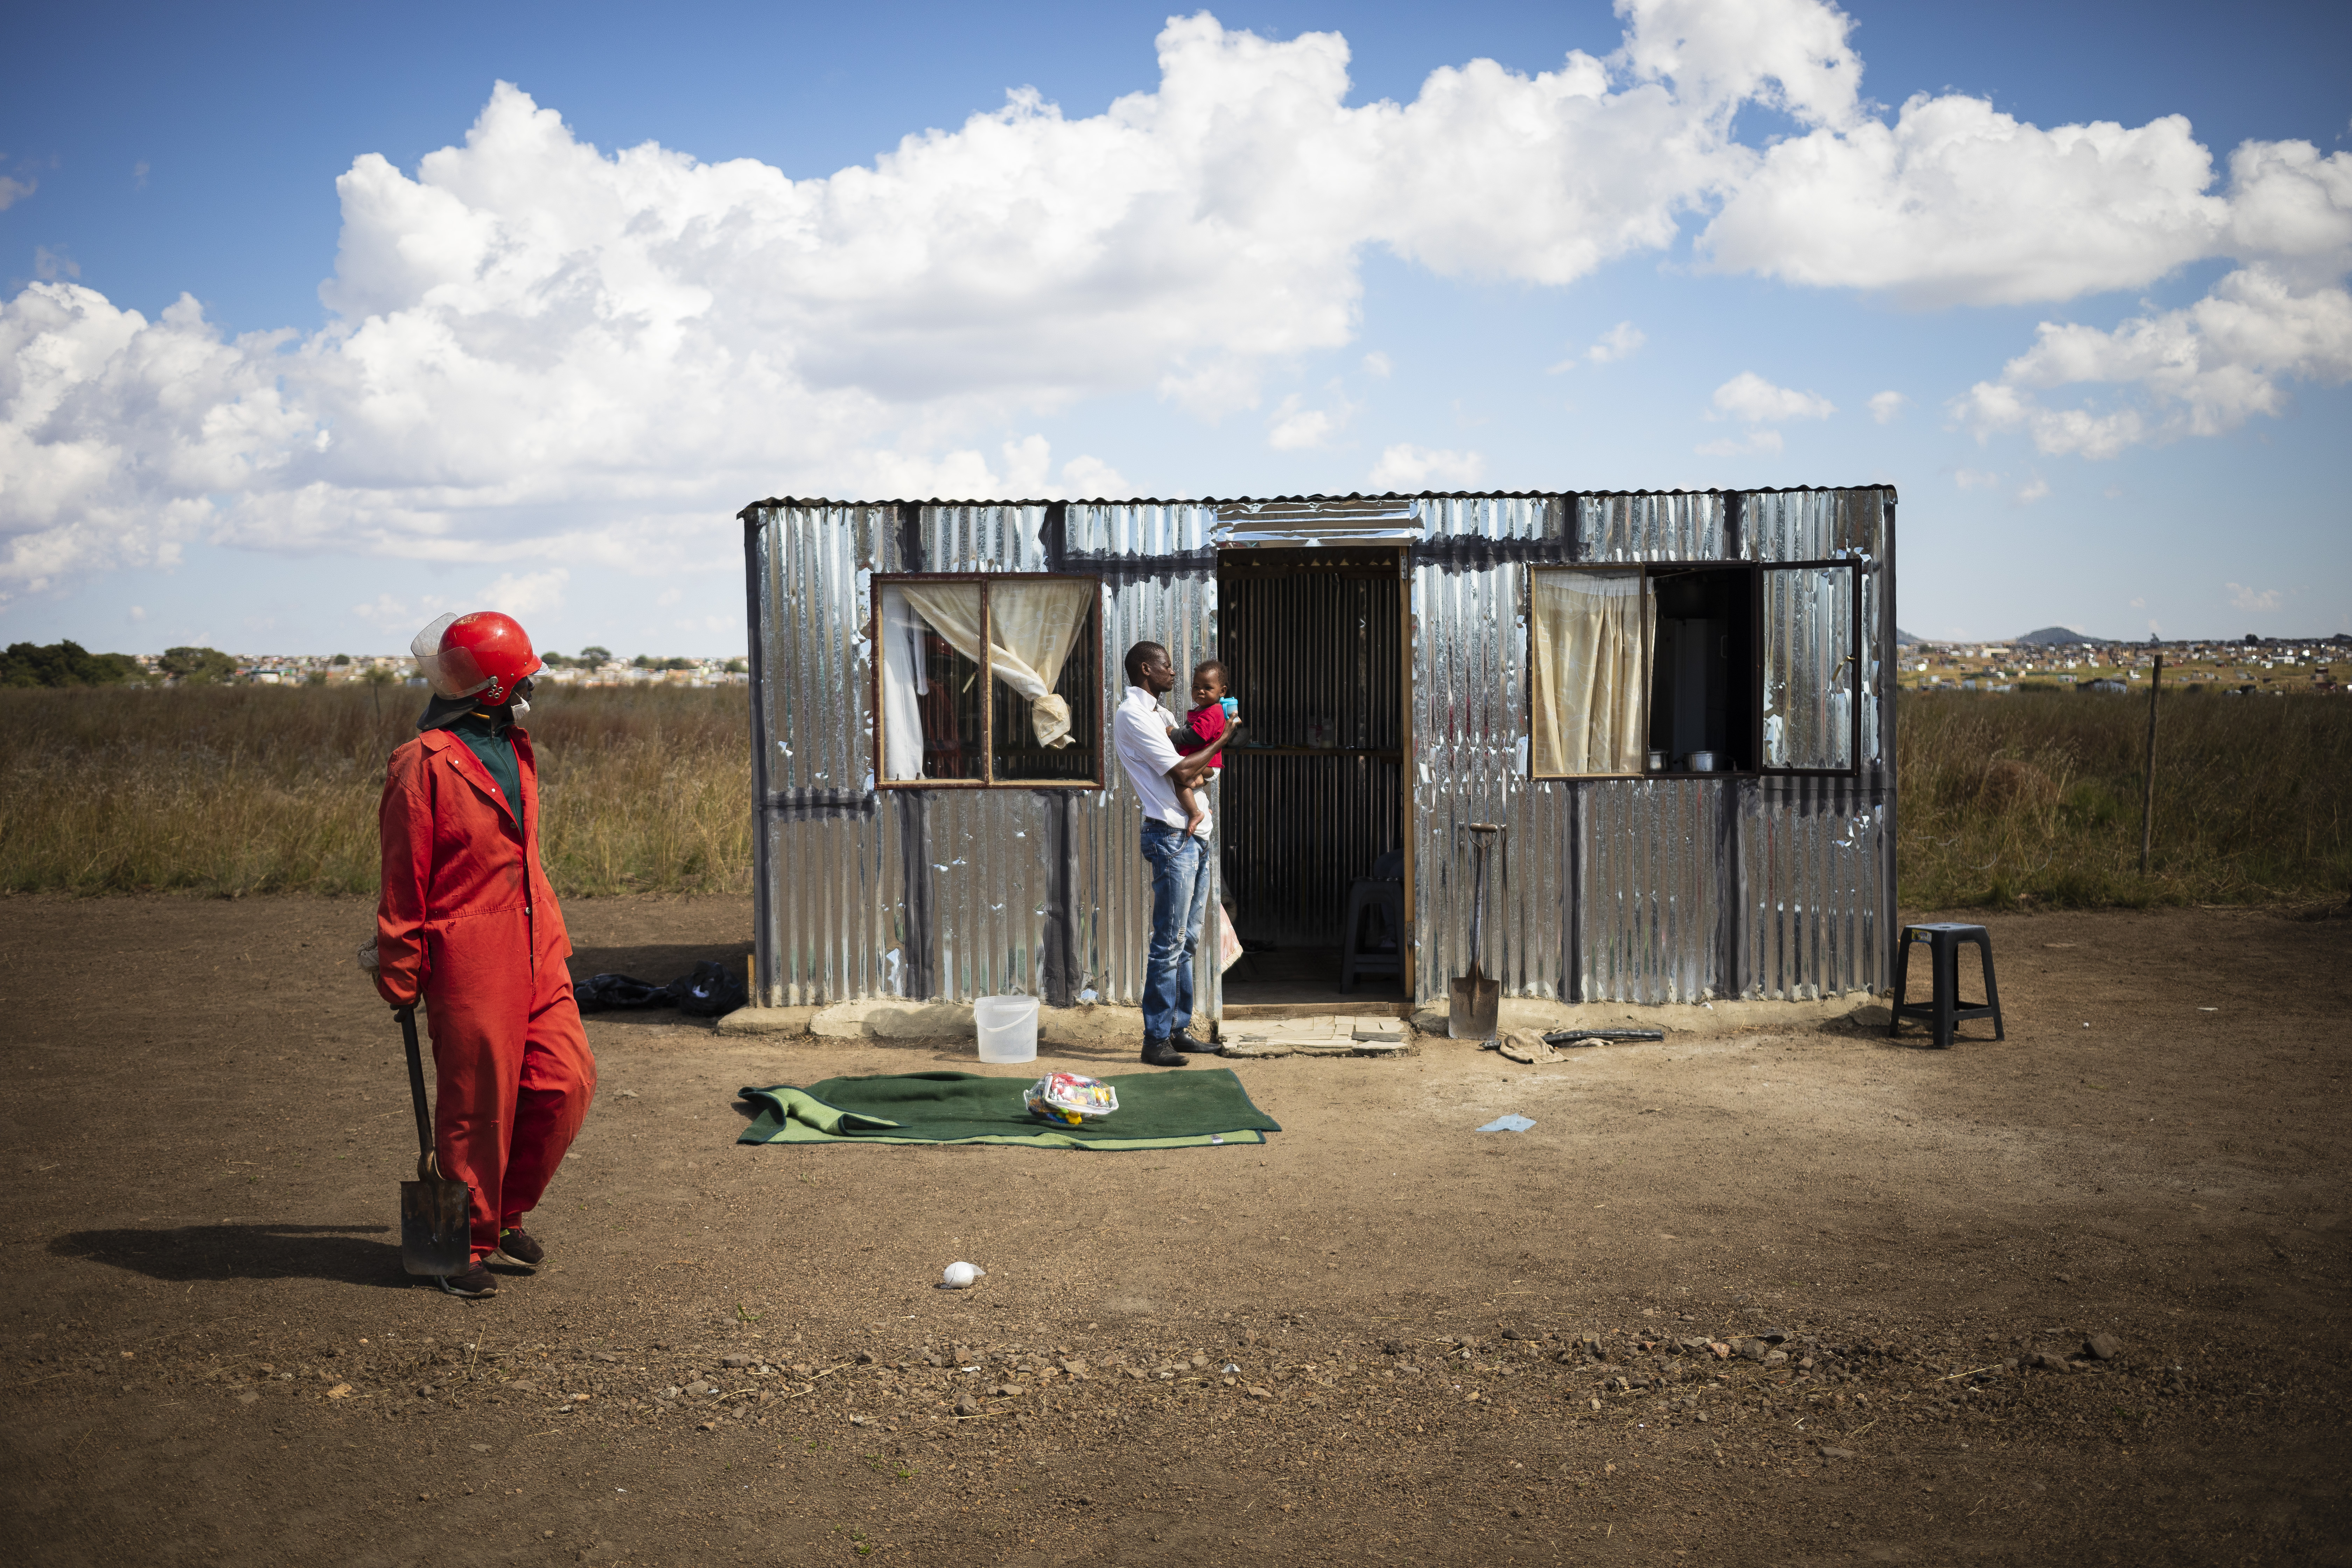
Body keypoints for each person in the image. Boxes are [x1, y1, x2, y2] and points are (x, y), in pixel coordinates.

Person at [372, 611, 597, 1299]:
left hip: (538, 944)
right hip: (469, 955)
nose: (533, 682)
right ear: (494, 685)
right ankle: (460, 1243)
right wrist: (400, 964)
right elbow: (404, 871)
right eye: (523, 674)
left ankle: (500, 1212)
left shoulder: (516, 745)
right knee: (478, 1107)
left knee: (566, 1082)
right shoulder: (423, 763)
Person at [1112, 641, 1239, 1067]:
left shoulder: (1161, 714)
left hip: (1195, 832)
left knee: (1187, 940)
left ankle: (1177, 1029)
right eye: (1167, 666)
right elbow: (1187, 771)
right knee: (1168, 943)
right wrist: (1223, 737)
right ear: (1146, 669)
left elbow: (1206, 768)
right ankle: (1155, 1040)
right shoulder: (1133, 715)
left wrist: (1203, 764)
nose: (1174, 673)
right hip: (1171, 836)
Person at [1167, 658, 1236, 839]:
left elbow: (1196, 736)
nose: (1201, 691)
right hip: (1208, 764)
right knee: (1186, 783)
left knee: (1181, 780)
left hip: (1208, 764)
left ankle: (1195, 813)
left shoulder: (1213, 712)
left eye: (1208, 688)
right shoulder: (1205, 709)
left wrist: (1174, 733)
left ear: (1222, 691)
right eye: (1196, 687)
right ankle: (1203, 810)